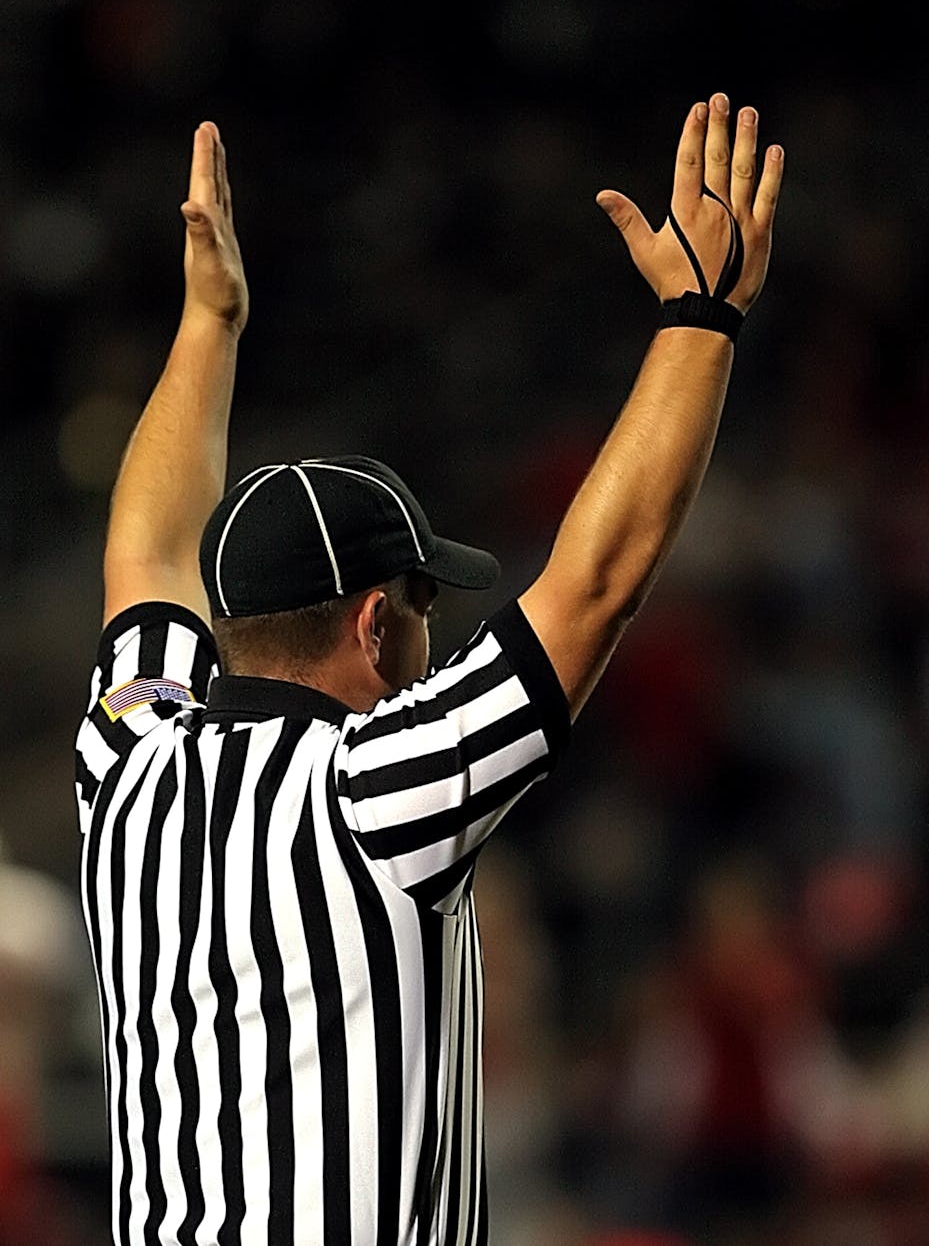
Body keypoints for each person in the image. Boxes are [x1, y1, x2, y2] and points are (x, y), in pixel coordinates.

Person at [75, 92, 783, 1245]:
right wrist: (700, 318)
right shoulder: (377, 789)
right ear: (370, 624)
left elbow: (146, 552)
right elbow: (594, 583)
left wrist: (208, 325)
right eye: (420, 605)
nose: (431, 637)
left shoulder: (129, 751)